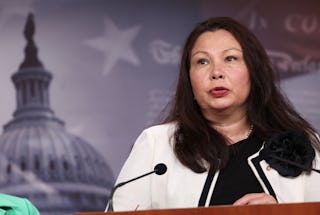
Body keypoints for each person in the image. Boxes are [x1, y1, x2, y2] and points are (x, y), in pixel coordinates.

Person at [105, 17, 320, 212]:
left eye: (231, 58)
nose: (216, 72)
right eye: (202, 61)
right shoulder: (156, 145)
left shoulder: (304, 144)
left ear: (254, 70)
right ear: (189, 79)